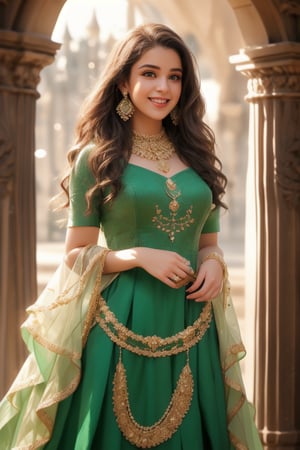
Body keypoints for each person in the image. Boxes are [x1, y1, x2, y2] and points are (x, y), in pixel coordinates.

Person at [0, 23, 263, 450]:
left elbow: (208, 245)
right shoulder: (98, 157)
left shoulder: (198, 156)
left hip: (193, 318)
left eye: (174, 76)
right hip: (121, 318)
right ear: (124, 81)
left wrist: (214, 264)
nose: (163, 87)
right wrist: (138, 255)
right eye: (149, 73)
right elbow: (77, 254)